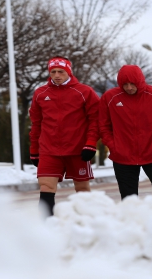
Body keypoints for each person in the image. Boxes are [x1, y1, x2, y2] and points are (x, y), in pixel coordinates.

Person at [29, 56, 100, 217]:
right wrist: (34, 149)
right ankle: (46, 226)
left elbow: (96, 120)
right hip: (49, 150)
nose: (56, 75)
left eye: (61, 71)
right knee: (46, 186)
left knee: (82, 189)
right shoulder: (40, 93)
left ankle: (87, 222)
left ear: (69, 72)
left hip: (78, 149)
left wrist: (90, 143)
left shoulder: (84, 92)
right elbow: (36, 123)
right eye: (53, 72)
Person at [99, 65, 152, 199]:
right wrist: (113, 145)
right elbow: (103, 125)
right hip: (123, 156)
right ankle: (131, 220)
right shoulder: (110, 97)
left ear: (140, 81)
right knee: (128, 198)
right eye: (125, 84)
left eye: (133, 84)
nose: (129, 88)